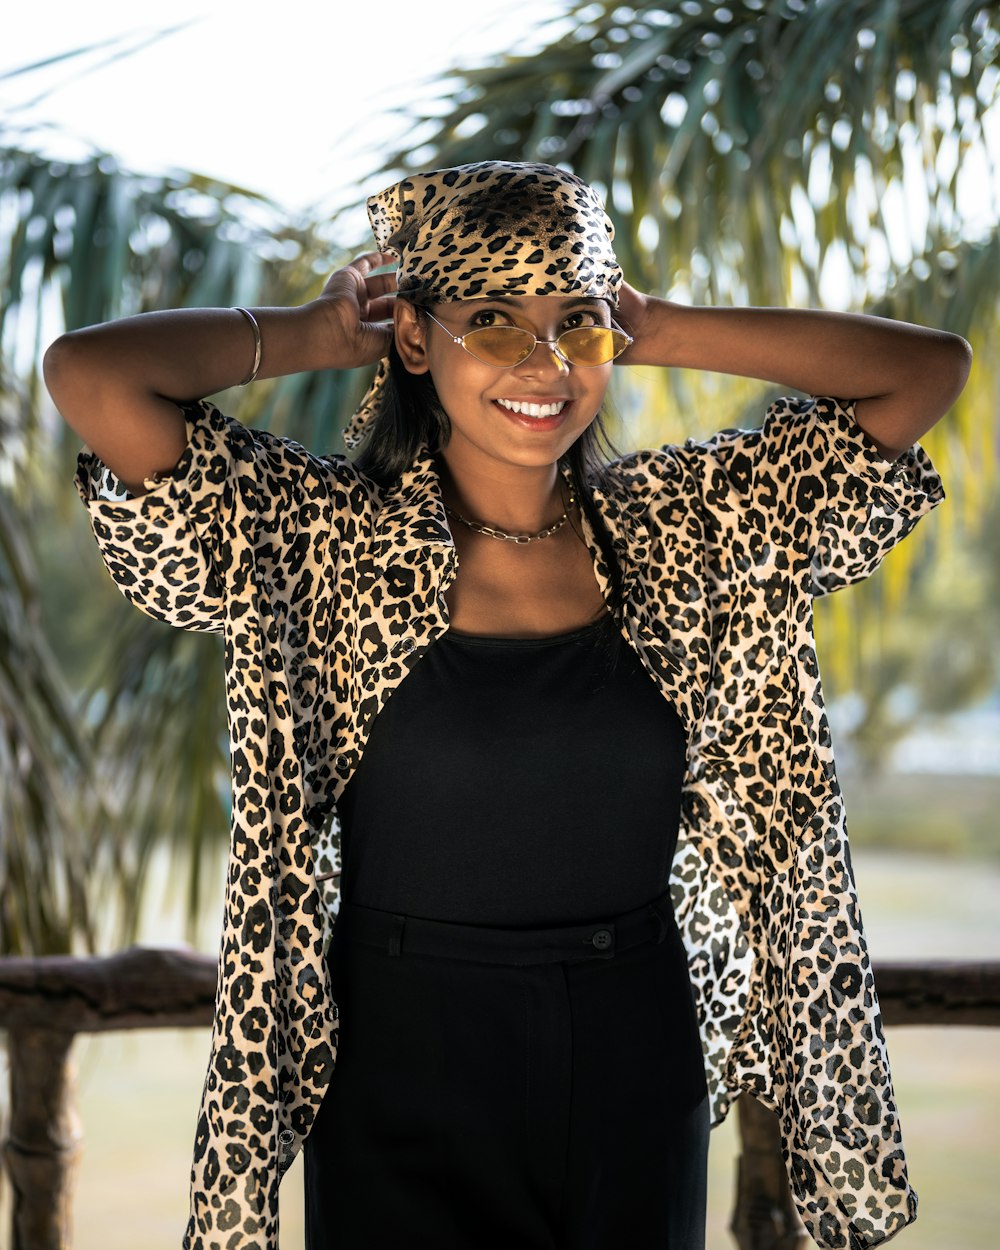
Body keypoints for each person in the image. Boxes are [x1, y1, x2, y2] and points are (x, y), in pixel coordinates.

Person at [44, 161, 970, 1250]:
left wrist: (651, 323)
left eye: (570, 323)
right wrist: (319, 329)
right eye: (491, 319)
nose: (543, 362)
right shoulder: (316, 537)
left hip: (635, 1043)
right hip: (401, 1051)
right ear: (419, 340)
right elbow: (94, 377)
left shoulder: (690, 530)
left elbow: (921, 371)